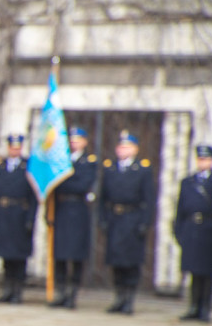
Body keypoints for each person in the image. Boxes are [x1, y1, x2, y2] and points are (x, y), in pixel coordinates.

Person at [172, 144, 212, 322]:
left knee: (207, 272)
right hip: (192, 230)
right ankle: (193, 307)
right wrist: (179, 231)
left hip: (210, 230)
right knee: (194, 271)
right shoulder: (188, 181)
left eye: (205, 159)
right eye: (200, 159)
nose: (202, 162)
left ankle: (205, 308)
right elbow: (180, 209)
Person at [99, 131, 155, 315]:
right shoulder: (111, 168)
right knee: (116, 261)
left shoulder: (143, 169)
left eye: (127, 147)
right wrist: (103, 219)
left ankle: (129, 299)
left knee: (131, 262)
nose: (123, 150)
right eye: (121, 146)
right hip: (116, 218)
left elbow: (149, 199)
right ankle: (119, 297)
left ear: (135, 149)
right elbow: (103, 197)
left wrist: (145, 223)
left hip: (133, 218)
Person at [47, 127, 97, 309]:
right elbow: (53, 185)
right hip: (61, 209)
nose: (74, 142)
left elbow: (82, 185)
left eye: (78, 139)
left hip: (78, 211)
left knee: (75, 255)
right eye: (72, 139)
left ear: (85, 142)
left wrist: (65, 182)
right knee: (59, 254)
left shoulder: (88, 162)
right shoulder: (61, 161)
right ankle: (60, 292)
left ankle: (72, 293)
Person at [0, 134, 37, 303]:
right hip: (4, 215)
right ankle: (7, 289)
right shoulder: (0, 166)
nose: (14, 150)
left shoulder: (28, 166)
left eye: (17, 147)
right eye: (12, 147)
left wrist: (31, 218)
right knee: (6, 256)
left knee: (19, 256)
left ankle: (17, 291)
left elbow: (33, 196)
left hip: (20, 215)